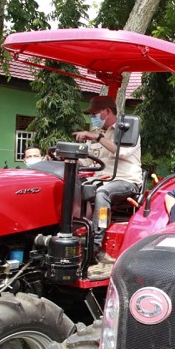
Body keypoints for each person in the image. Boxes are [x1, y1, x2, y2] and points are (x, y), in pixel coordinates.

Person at [72, 96, 143, 277]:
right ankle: (73, 233)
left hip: (125, 181)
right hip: (100, 179)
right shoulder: (95, 133)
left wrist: (98, 137)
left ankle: (95, 245)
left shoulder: (126, 131)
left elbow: (123, 153)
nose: (93, 118)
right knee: (70, 185)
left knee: (102, 193)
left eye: (95, 114)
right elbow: (87, 160)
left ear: (107, 111)